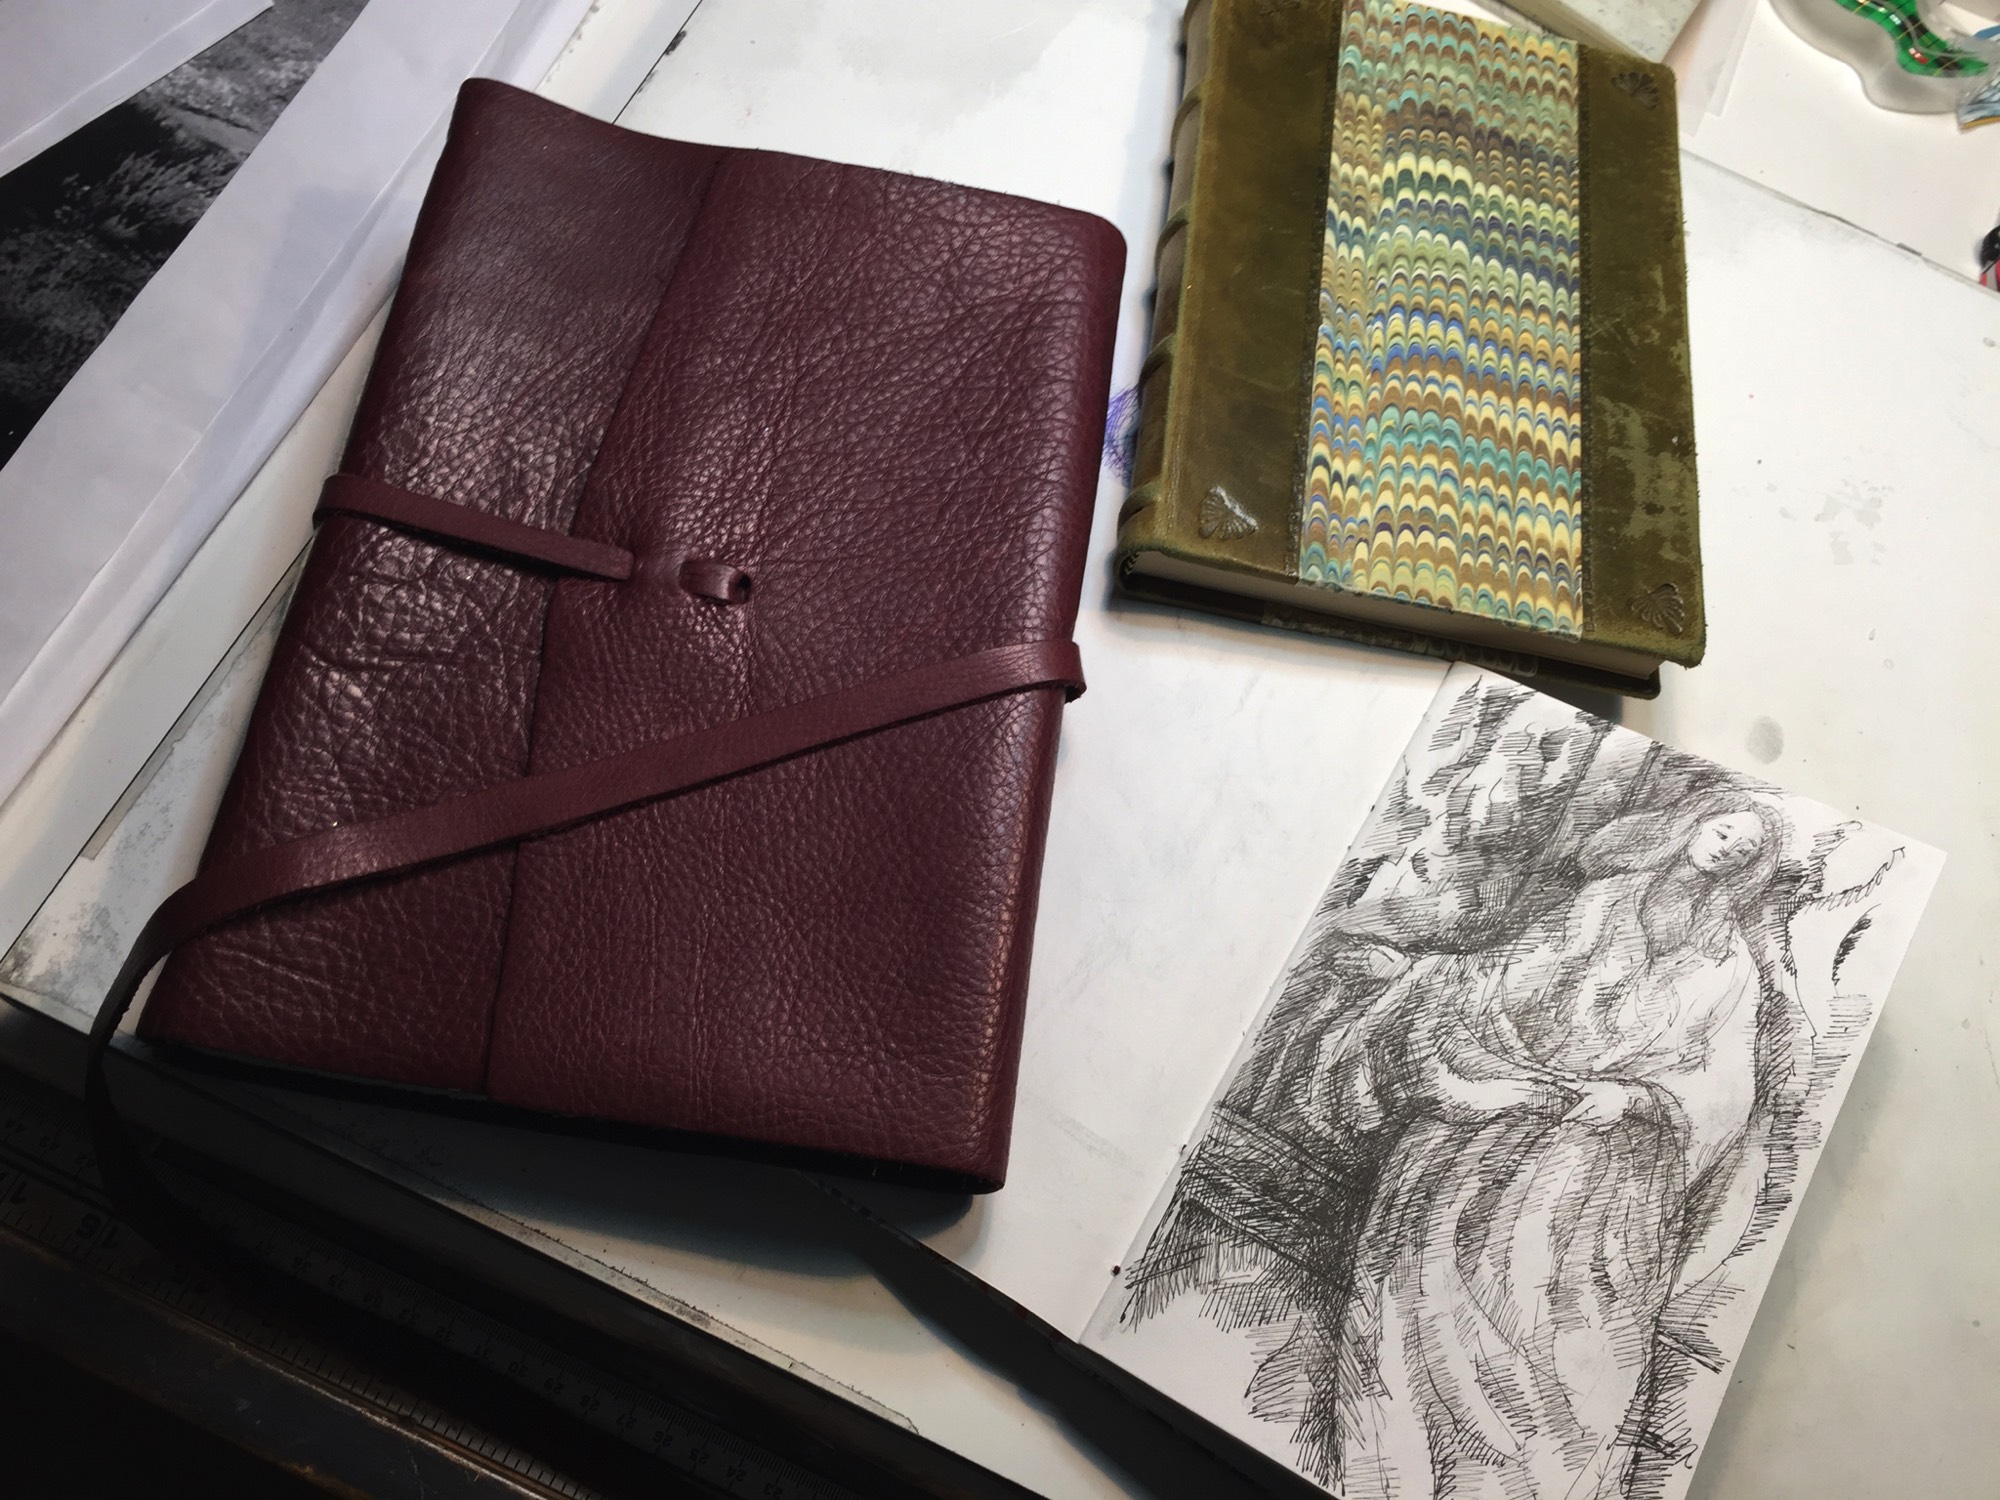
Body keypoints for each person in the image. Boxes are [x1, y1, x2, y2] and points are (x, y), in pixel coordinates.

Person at [1305, 790, 1788, 1500]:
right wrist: (1425, 984)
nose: (1725, 851)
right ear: (1695, 823)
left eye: (1743, 851)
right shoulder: (1603, 899)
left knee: (1554, 1323)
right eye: (1723, 831)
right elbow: (1509, 979)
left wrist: (1631, 1099)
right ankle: (1389, 1463)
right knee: (1424, 1279)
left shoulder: (1729, 961)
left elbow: (1723, 1083)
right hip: (1511, 1103)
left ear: (1749, 870)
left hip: (1607, 1151)